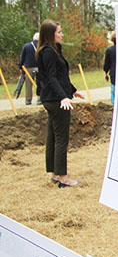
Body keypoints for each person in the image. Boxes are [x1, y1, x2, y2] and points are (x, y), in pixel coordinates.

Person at [36, 19, 85, 188]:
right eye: (59, 32)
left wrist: (72, 90)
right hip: (56, 100)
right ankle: (63, 177)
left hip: (53, 98)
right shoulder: (48, 52)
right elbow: (51, 77)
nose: (62, 34)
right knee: (61, 138)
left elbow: (61, 76)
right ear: (50, 35)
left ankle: (55, 174)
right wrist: (63, 97)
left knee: (53, 137)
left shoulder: (52, 50)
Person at [18, 32, 40, 105]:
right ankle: (39, 99)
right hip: (38, 67)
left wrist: (21, 67)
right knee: (39, 83)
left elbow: (22, 57)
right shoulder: (41, 46)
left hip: (28, 68)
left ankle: (28, 100)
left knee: (28, 84)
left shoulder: (26, 46)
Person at [103, 31, 117, 104]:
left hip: (113, 76)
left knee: (114, 94)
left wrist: (105, 73)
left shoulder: (110, 50)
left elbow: (106, 64)